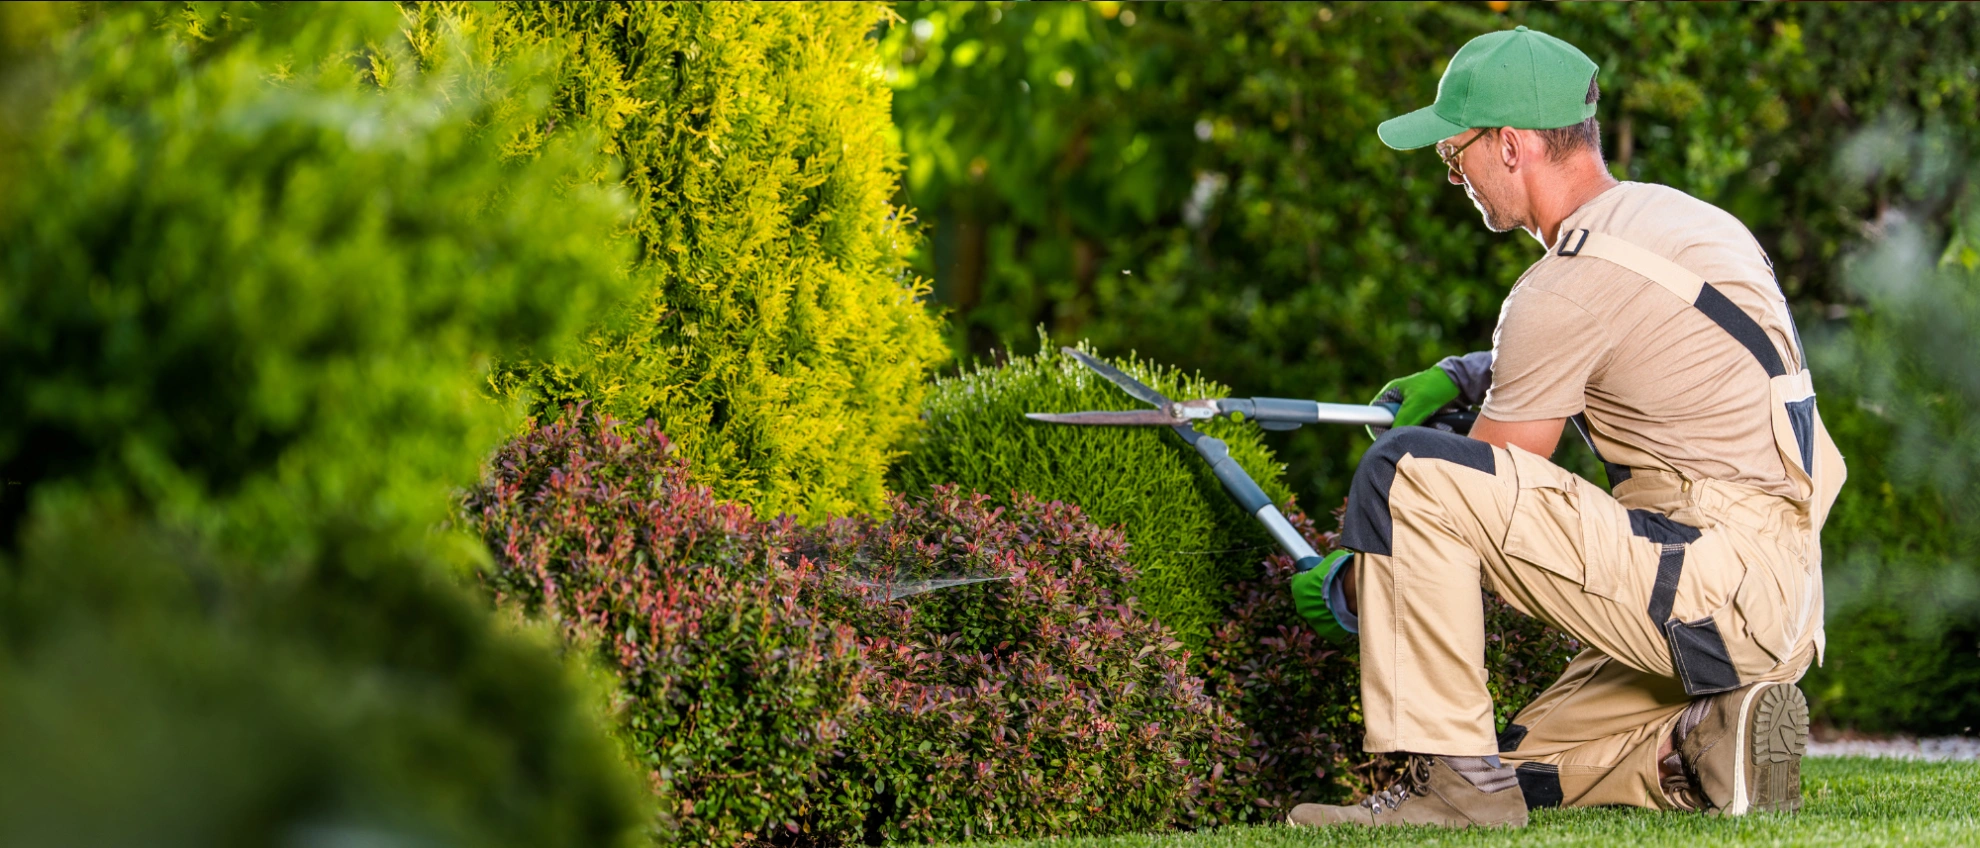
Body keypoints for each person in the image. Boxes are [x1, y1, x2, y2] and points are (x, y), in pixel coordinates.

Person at [1284, 26, 1845, 828]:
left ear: (1510, 145)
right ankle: (1697, 743)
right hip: (1779, 598)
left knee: (1406, 473)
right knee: (1514, 761)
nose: (1452, 173)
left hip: (1708, 588)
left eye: (1454, 151)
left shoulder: (1563, 285)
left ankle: (1456, 796)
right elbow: (1638, 342)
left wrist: (1352, 583)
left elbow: (1477, 499)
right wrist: (1467, 374)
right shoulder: (1681, 223)